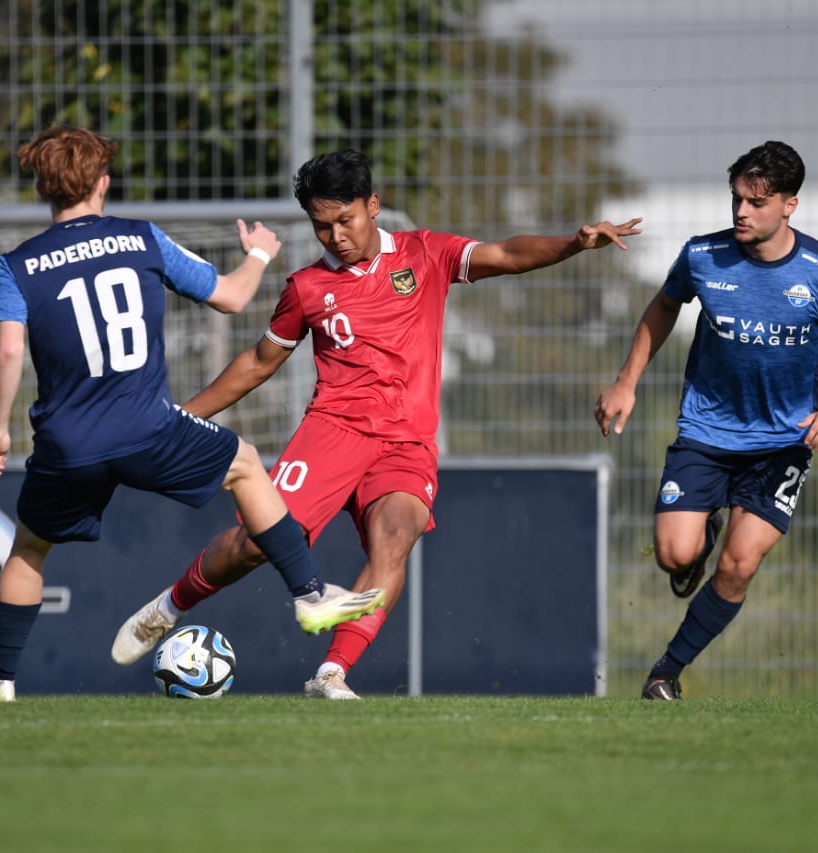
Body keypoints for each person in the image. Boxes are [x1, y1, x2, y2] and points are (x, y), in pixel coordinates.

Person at [111, 148, 643, 699]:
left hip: (406, 443)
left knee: (395, 537)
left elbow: (507, 254)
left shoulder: (425, 254)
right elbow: (258, 363)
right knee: (256, 545)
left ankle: (330, 674)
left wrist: (574, 243)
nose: (336, 235)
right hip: (331, 433)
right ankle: (168, 606)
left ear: (373, 205)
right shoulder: (306, 289)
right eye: (322, 226)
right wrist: (177, 417)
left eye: (346, 220)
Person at [0, 127, 384, 703]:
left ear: (43, 188)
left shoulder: (17, 266)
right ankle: (310, 594)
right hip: (147, 426)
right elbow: (233, 296)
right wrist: (261, 253)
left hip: (66, 443)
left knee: (30, 549)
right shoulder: (140, 239)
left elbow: (9, 349)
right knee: (243, 464)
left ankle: (0, 682)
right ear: (103, 183)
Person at [594, 140, 818, 700]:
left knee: (739, 565)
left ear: (789, 206)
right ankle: (700, 536)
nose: (742, 213)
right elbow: (664, 305)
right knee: (676, 554)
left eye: (756, 202)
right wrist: (626, 380)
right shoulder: (704, 256)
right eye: (736, 200)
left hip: (782, 444)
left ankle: (666, 672)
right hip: (706, 432)